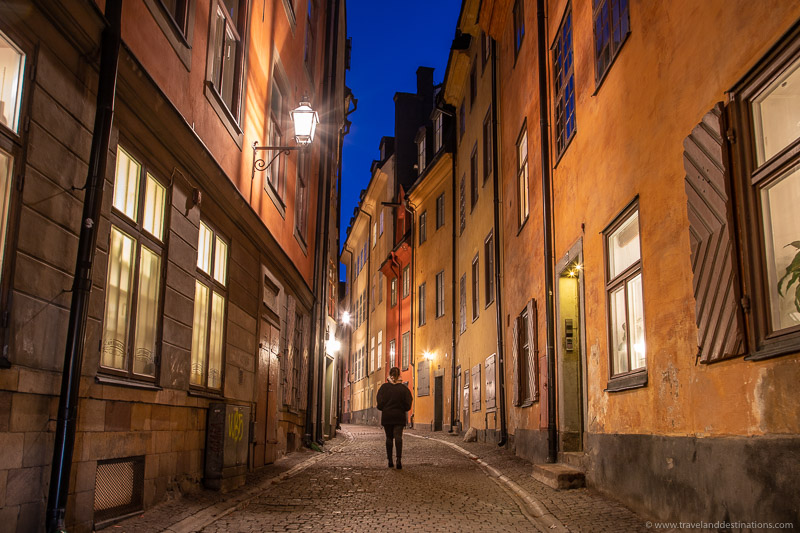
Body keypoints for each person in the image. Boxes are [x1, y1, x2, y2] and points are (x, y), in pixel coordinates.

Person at [376, 367, 413, 469]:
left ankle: (390, 461)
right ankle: (399, 460)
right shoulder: (404, 389)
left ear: (389, 374)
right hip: (399, 416)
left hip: (387, 416)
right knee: (398, 437)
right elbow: (408, 403)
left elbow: (379, 402)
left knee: (388, 437)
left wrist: (384, 407)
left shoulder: (384, 388)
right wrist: (403, 408)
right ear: (399, 375)